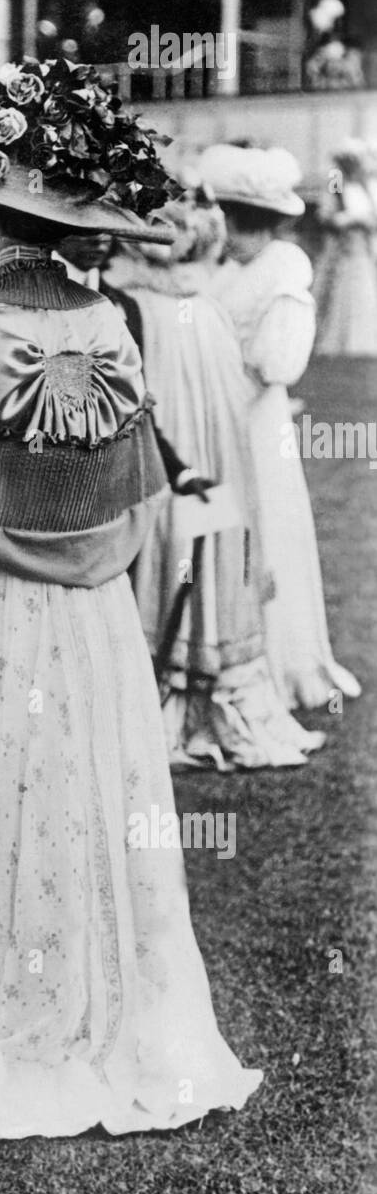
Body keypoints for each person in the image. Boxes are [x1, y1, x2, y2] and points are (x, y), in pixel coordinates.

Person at [0, 59, 262, 1137]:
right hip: (90, 617)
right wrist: (78, 554)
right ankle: (92, 1004)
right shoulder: (111, 328)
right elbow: (133, 494)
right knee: (88, 793)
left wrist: (6, 536)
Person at [108, 192, 325, 769]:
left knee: (168, 535)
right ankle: (208, 664)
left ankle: (169, 674)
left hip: (173, 469)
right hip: (210, 472)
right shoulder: (206, 309)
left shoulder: (134, 311)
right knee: (206, 530)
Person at [199, 143, 360, 711]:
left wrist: (236, 363)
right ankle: (219, 652)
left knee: (263, 524)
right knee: (220, 526)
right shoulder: (223, 268)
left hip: (258, 418)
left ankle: (275, 659)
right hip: (218, 415)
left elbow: (279, 364)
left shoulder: (285, 265)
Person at [312, 139, 377, 358]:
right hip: (342, 248)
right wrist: (347, 220)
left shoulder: (364, 182)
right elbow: (327, 215)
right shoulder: (335, 178)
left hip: (363, 249)